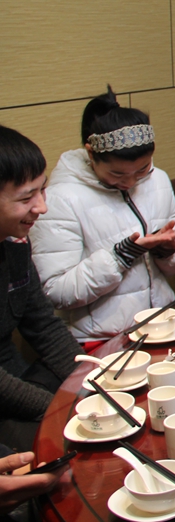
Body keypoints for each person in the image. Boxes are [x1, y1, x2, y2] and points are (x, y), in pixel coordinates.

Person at [30, 88, 175, 347]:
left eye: (141, 170)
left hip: (162, 323)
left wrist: (166, 250)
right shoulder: (60, 199)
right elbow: (55, 292)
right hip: (103, 339)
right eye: (117, 174)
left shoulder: (157, 180)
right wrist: (121, 256)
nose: (130, 182)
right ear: (91, 153)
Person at [0, 126, 81, 455]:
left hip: (18, 381)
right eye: (26, 198)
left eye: (42, 190)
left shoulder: (14, 243)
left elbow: (43, 325)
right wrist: (62, 409)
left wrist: (91, 382)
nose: (42, 207)